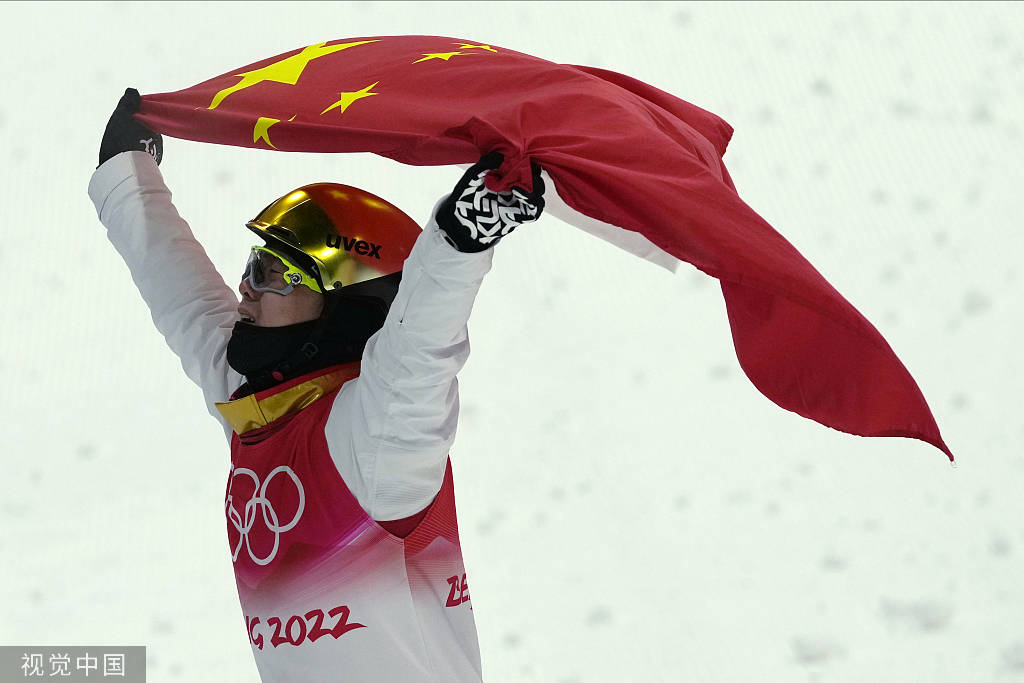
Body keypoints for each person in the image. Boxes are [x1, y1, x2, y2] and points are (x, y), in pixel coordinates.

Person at [89, 88, 545, 683]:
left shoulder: (374, 443)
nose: (245, 288)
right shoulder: (259, 404)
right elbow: (183, 297)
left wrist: (459, 242)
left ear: (344, 309)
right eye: (254, 263)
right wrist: (127, 175)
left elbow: (419, 356)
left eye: (275, 275)